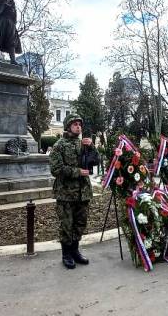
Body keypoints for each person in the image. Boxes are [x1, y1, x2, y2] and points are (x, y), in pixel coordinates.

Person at [49, 113, 99, 269]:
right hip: (66, 193)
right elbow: (55, 169)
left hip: (82, 192)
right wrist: (78, 172)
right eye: (75, 124)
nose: (79, 126)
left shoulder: (83, 144)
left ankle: (75, 251)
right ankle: (66, 254)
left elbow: (96, 161)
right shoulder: (59, 145)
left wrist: (91, 146)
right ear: (68, 126)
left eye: (80, 124)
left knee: (80, 223)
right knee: (66, 225)